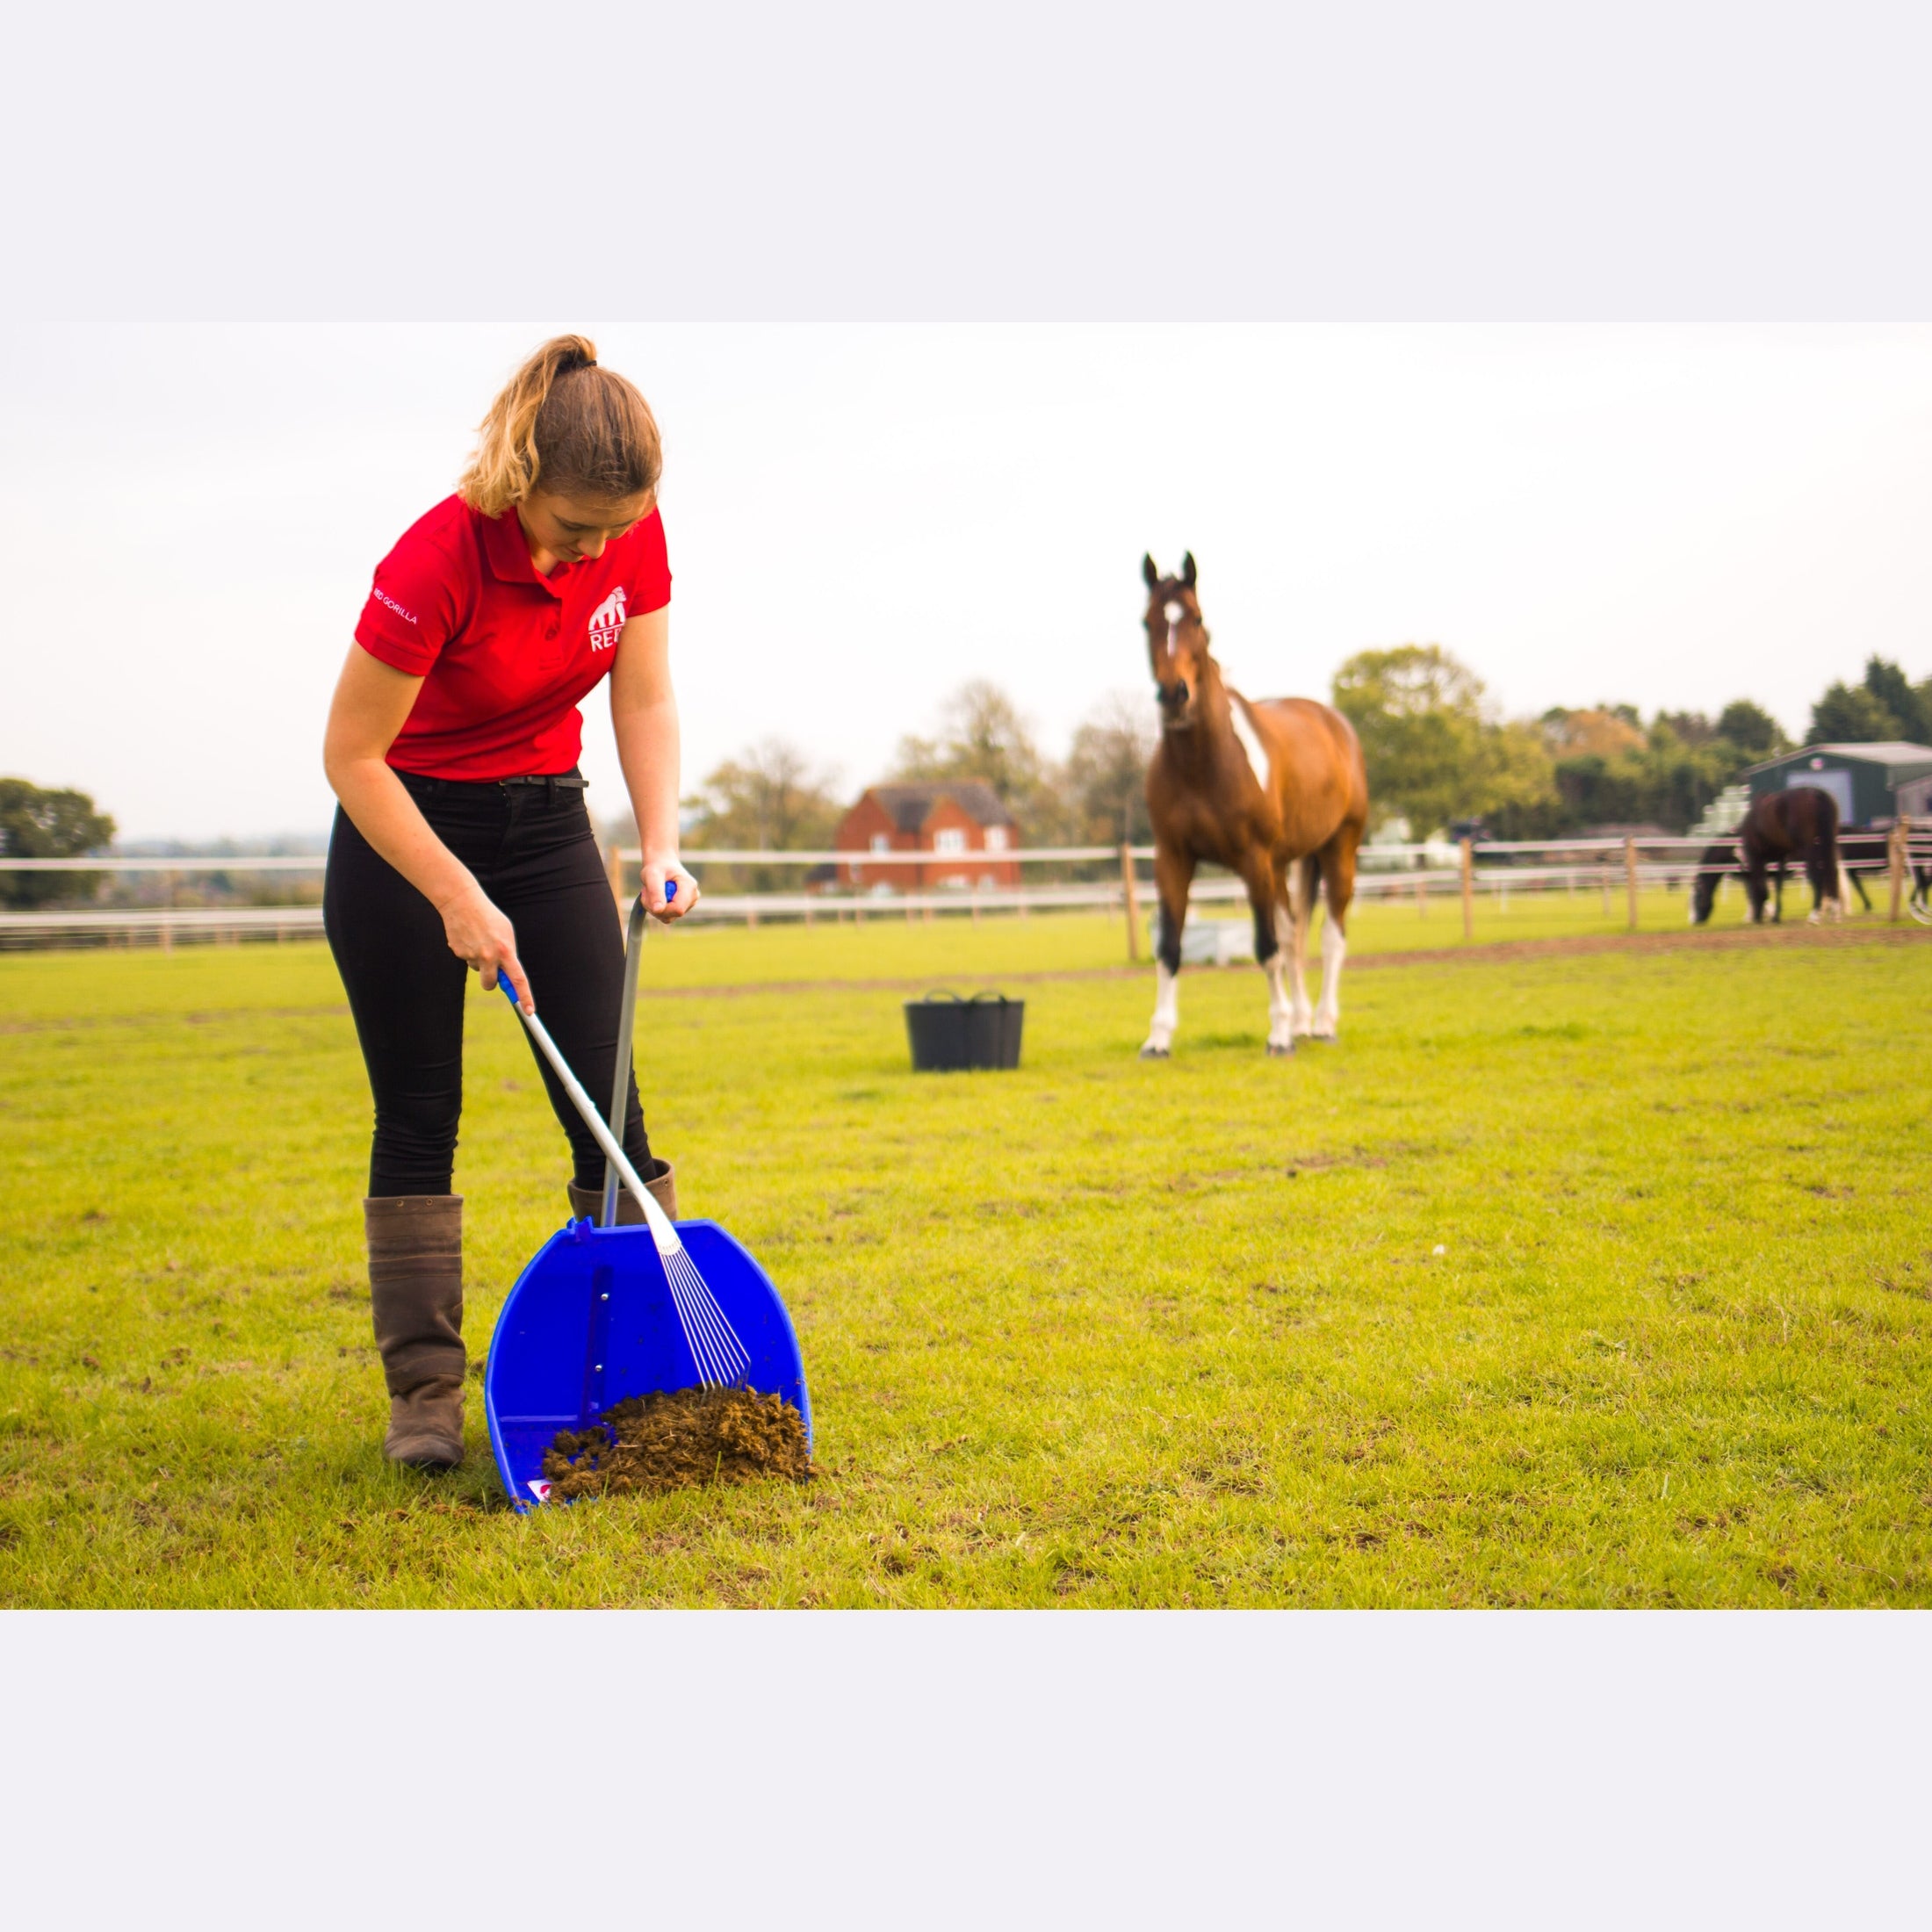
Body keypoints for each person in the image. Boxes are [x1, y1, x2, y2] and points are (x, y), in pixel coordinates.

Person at [321, 335, 698, 1470]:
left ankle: (643, 1369)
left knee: (609, 1108)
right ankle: (427, 1401)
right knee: (421, 1115)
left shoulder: (629, 530)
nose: (596, 548)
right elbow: (351, 757)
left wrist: (661, 844)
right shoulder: (437, 557)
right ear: (522, 473)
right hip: (409, 831)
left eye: (616, 529)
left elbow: (644, 700)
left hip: (546, 826)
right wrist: (454, 895)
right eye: (576, 527)